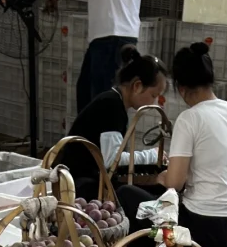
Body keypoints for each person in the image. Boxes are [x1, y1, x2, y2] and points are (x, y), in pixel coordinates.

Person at [123, 41, 227, 247]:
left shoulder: (189, 119)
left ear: (181, 88)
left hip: (203, 230)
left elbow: (175, 183)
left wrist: (162, 177)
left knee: (128, 196)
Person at [57, 46, 167, 195]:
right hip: (76, 183)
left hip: (87, 175)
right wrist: (151, 156)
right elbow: (112, 159)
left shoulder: (115, 102)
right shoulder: (111, 105)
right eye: (153, 95)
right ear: (137, 86)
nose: (155, 103)